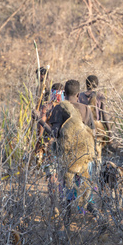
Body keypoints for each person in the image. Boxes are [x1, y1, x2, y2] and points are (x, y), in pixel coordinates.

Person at [47, 80, 98, 219]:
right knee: (86, 190)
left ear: (64, 93)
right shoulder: (86, 109)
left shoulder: (59, 108)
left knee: (68, 190)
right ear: (78, 94)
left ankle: (66, 226)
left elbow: (54, 134)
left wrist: (39, 120)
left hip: (67, 157)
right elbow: (93, 133)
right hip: (86, 157)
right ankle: (98, 216)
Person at [78, 75, 112, 163]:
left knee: (85, 152)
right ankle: (97, 172)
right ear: (97, 85)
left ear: (86, 85)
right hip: (98, 127)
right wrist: (109, 132)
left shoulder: (80, 96)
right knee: (98, 152)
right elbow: (104, 114)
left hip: (84, 127)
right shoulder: (100, 96)